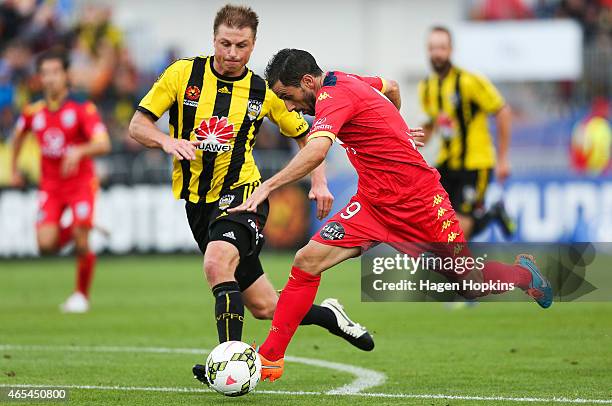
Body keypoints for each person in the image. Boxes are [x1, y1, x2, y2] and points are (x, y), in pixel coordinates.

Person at [230, 48, 553, 382]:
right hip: (372, 205)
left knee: (469, 285)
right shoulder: (348, 79)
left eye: (288, 96)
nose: (289, 106)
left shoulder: (333, 94)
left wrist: (269, 186)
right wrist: (394, 127)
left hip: (420, 206)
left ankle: (523, 275)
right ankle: (269, 358)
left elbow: (316, 149)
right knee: (307, 260)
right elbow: (393, 86)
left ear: (309, 82)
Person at [127, 5, 374, 385]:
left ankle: (229, 366)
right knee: (264, 306)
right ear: (213, 40)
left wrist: (320, 181)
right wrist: (165, 140)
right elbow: (138, 124)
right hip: (198, 202)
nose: (231, 53)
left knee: (216, 264)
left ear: (253, 45)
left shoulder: (262, 90)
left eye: (241, 45)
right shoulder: (182, 74)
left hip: (244, 195)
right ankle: (329, 315)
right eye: (225, 43)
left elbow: (306, 135)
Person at [11, 48, 111, 313]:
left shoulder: (82, 108)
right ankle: (84, 224)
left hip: (80, 183)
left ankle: (81, 295)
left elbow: (103, 143)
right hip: (51, 187)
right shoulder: (33, 111)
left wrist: (80, 150)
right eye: (45, 73)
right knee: (46, 245)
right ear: (39, 78)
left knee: (80, 240)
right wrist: (14, 170)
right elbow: (18, 137)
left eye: (56, 72)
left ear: (66, 75)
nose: (51, 78)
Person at [418, 26, 515, 240]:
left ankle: (454, 267)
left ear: (451, 50)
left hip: (476, 163)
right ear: (428, 50)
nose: (437, 53)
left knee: (461, 228)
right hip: (446, 162)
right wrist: (409, 146)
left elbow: (503, 111)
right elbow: (432, 124)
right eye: (433, 48)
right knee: (432, 218)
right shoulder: (426, 87)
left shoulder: (469, 81)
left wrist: (503, 159)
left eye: (442, 47)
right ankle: (491, 213)